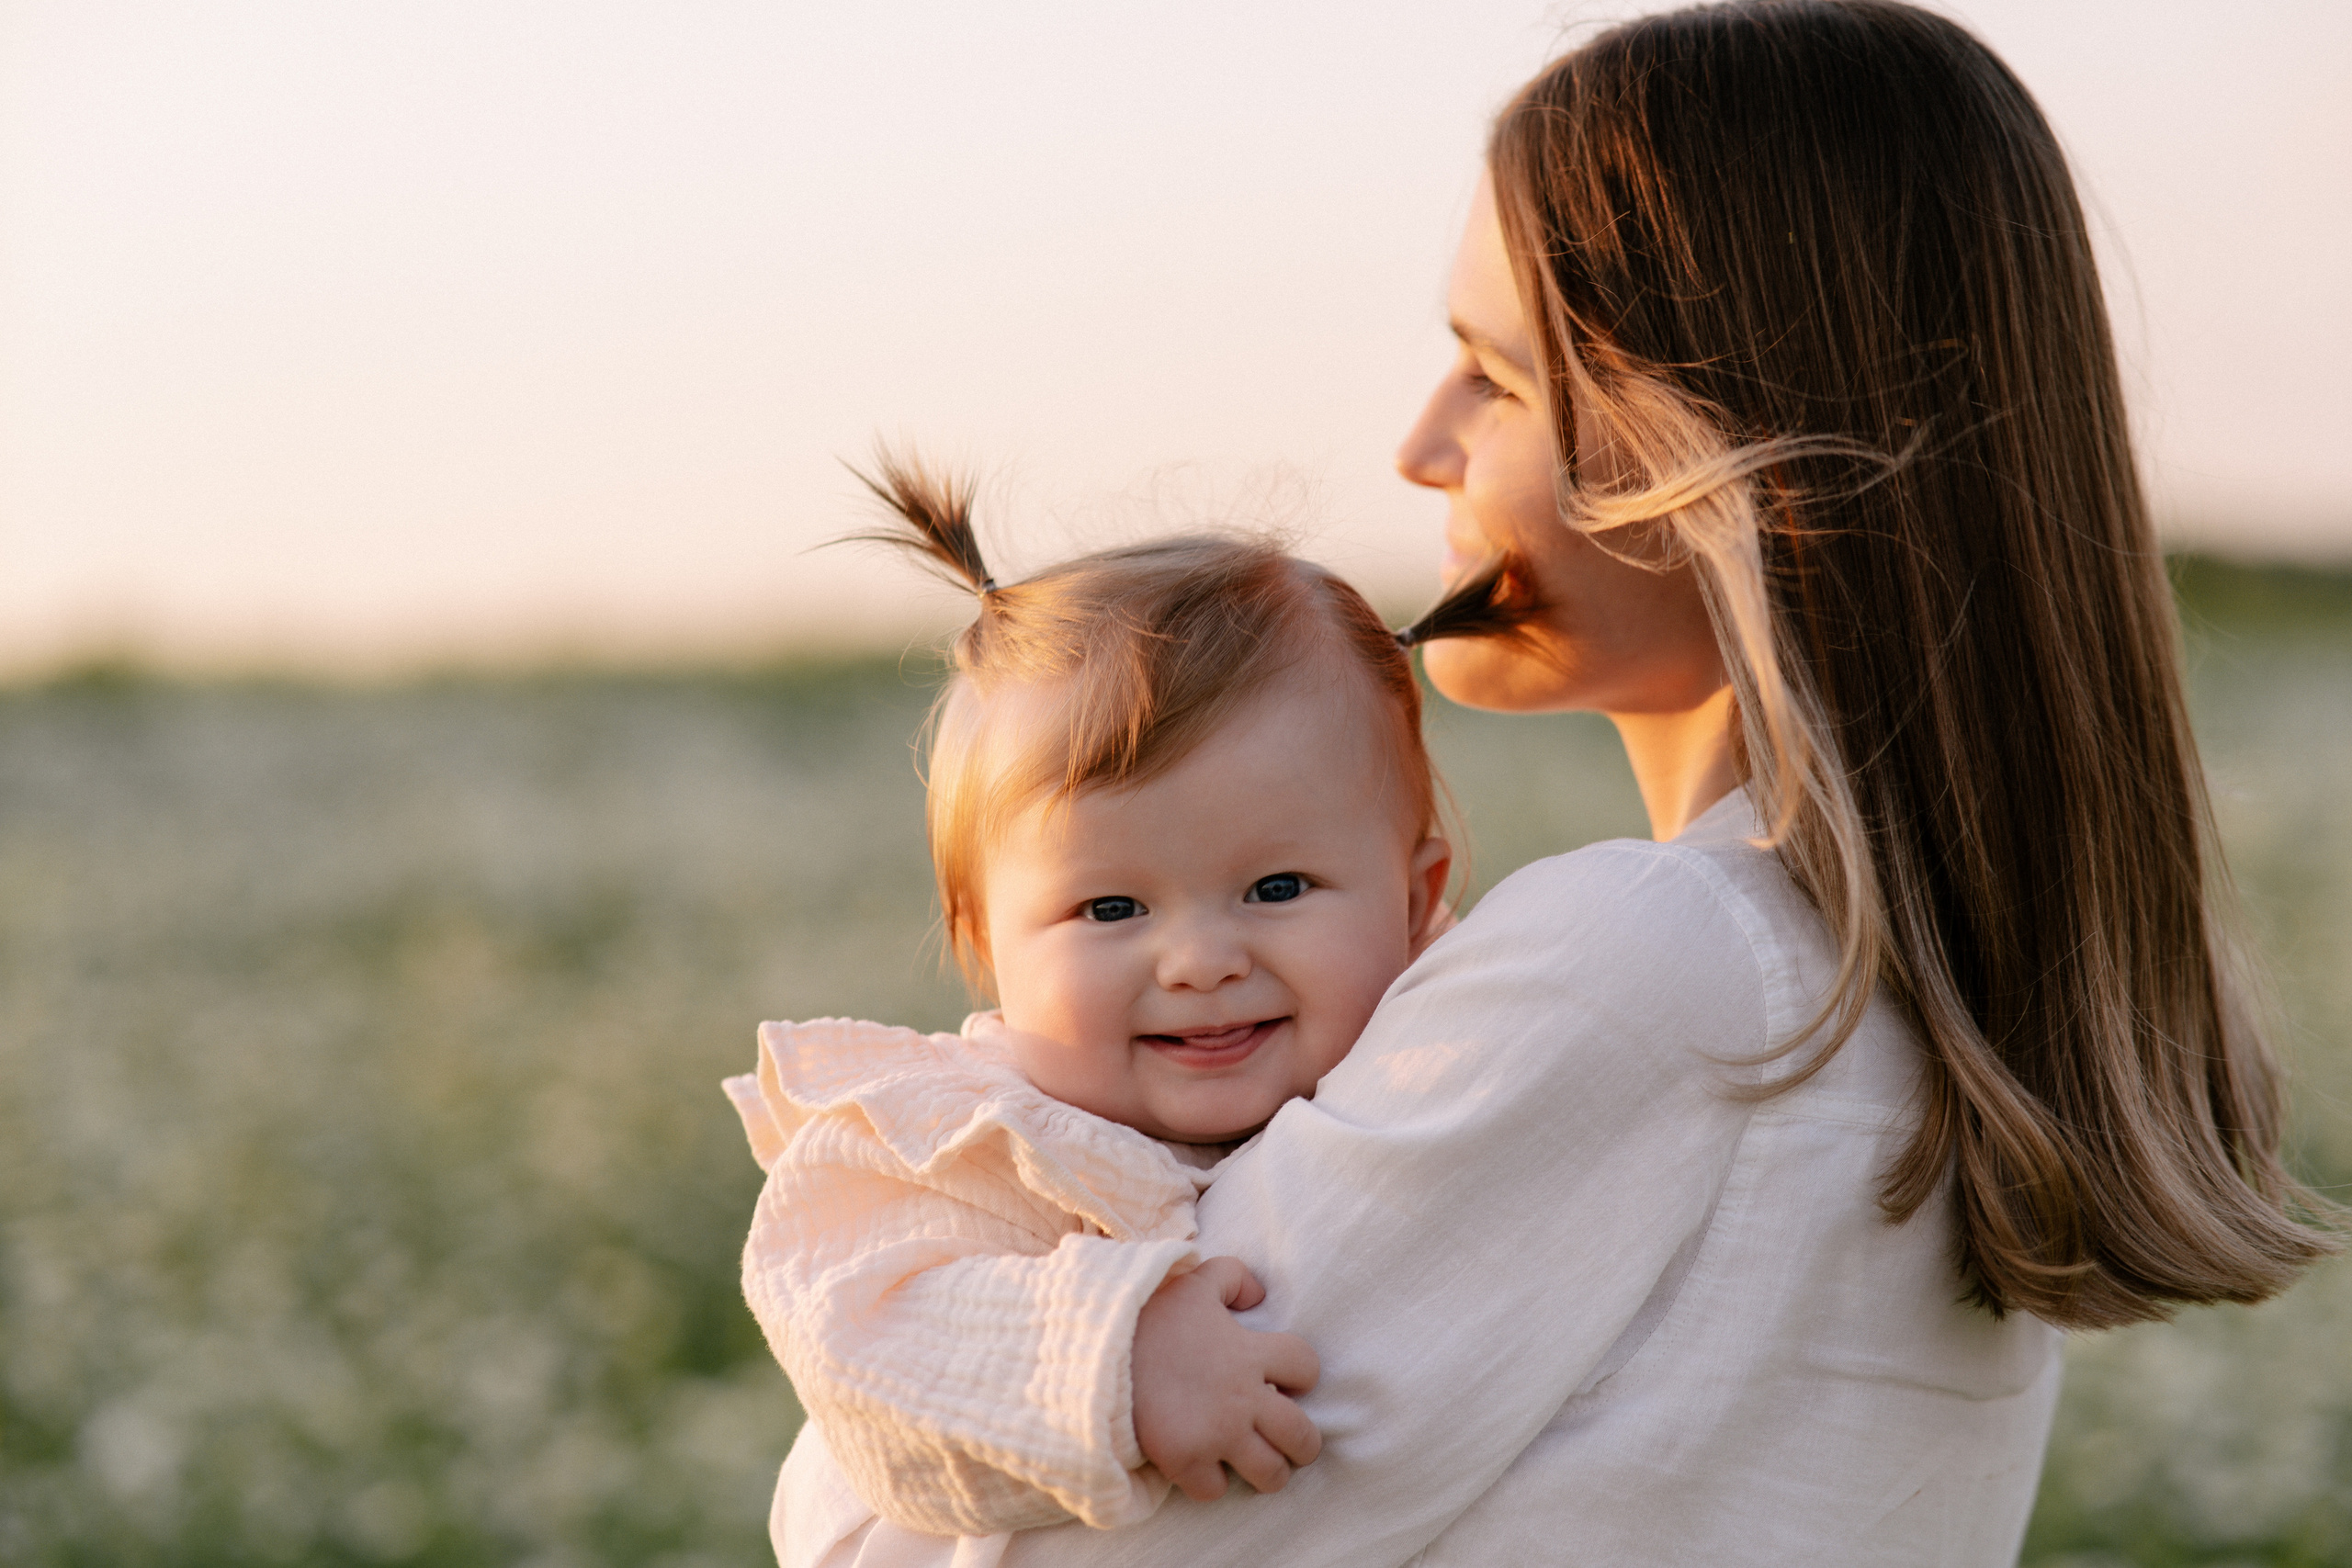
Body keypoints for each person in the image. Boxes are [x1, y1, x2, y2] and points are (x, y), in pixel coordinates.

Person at [813, 4, 2326, 1563]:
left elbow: (900, 1544)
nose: (1422, 445)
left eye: (1496, 375)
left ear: (1734, 441)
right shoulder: (1893, 987)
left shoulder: (1657, 973)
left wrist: (853, 1434)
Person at [726, 456, 1465, 1566]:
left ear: (1416, 903)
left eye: (1276, 890)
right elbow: (861, 1342)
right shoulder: (955, 1145)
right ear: (984, 947)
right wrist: (1114, 1358)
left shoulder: (1460, 1039)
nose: (1203, 961)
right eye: (1110, 907)